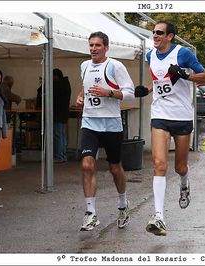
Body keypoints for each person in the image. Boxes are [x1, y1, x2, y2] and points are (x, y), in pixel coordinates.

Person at [135, 20, 205, 236]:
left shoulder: (183, 53)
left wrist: (185, 75)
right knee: (159, 164)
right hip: (160, 114)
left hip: (182, 116)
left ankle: (184, 183)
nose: (155, 36)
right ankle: (159, 216)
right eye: (154, 32)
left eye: (159, 33)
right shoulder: (150, 55)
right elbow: (160, 80)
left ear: (170, 36)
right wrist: (147, 89)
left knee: (180, 167)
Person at [76, 31, 135, 231]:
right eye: (91, 45)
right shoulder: (84, 66)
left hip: (111, 124)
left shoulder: (115, 66)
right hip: (89, 122)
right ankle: (91, 213)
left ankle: (123, 204)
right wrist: (80, 97)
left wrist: (108, 92)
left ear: (106, 47)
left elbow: (130, 93)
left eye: (97, 45)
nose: (93, 49)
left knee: (114, 168)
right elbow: (85, 87)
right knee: (86, 165)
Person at [53, 68, 71, 163]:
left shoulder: (57, 85)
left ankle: (59, 156)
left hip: (57, 113)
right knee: (62, 135)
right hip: (64, 113)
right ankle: (63, 155)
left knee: (58, 135)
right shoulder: (66, 84)